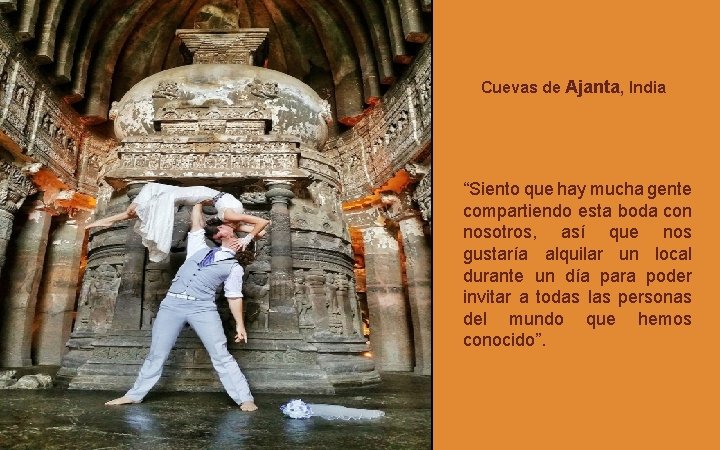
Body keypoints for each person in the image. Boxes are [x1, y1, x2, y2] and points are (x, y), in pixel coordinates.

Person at [105, 202, 258, 411]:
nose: (225, 229)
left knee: (221, 353)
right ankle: (134, 395)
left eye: (230, 231)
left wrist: (240, 325)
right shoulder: (200, 247)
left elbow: (233, 296)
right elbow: (197, 222)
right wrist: (197, 202)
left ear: (241, 243)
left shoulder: (234, 268)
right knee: (157, 353)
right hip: (171, 305)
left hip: (203, 308)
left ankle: (244, 398)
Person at [86, 183, 270, 262]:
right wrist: (246, 240)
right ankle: (113, 218)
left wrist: (246, 238)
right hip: (204, 193)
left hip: (203, 196)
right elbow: (262, 224)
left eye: (219, 234)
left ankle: (107, 220)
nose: (221, 233)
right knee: (154, 191)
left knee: (154, 199)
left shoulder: (233, 224)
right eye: (222, 234)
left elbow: (260, 232)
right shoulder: (232, 219)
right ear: (230, 233)